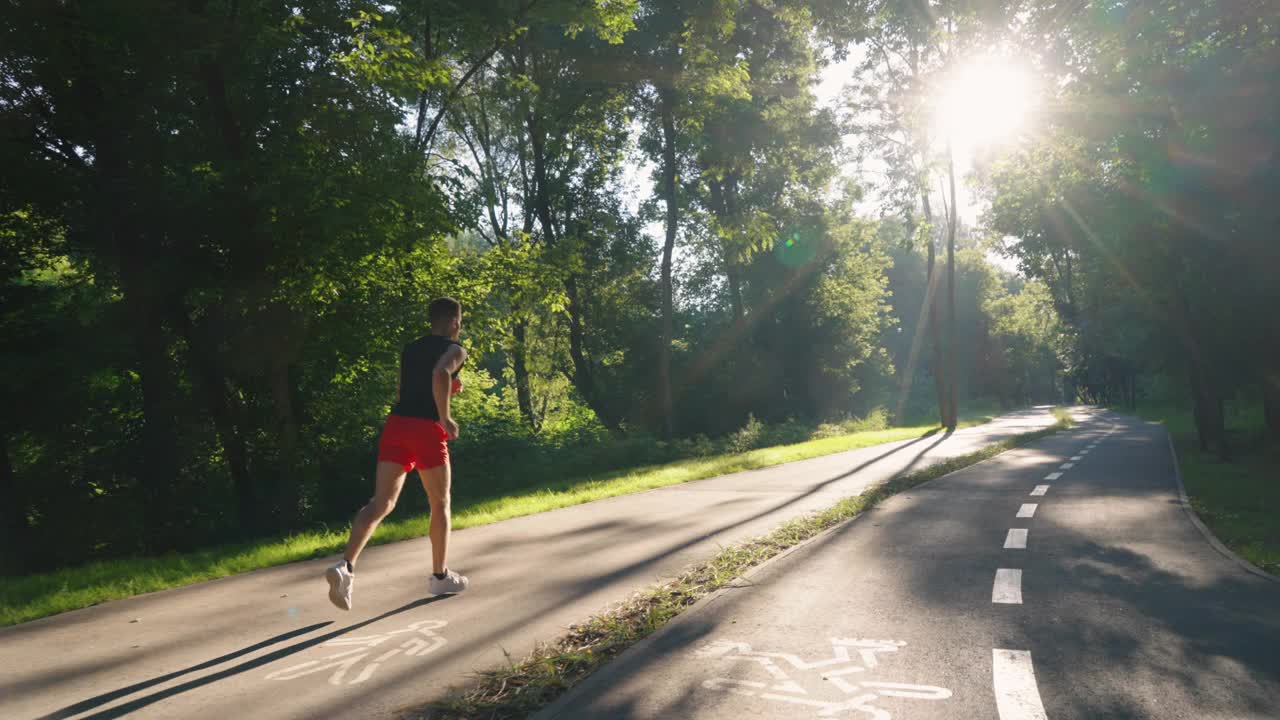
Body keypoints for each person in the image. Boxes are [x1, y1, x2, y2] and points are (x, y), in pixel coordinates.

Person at [326, 297, 470, 611]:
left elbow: (404, 390)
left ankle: (345, 567)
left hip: (397, 425)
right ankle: (439, 575)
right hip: (425, 429)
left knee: (381, 503)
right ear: (454, 322)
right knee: (440, 502)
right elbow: (439, 375)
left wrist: (442, 393)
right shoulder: (456, 349)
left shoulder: (410, 349)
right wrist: (445, 417)